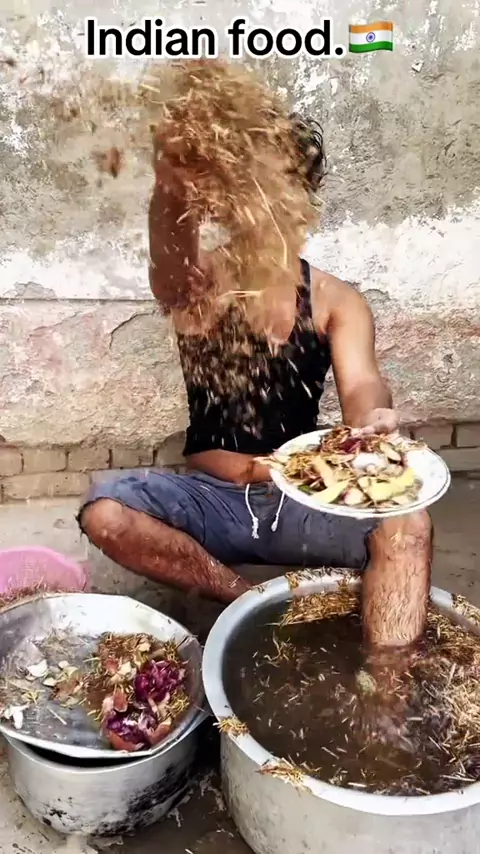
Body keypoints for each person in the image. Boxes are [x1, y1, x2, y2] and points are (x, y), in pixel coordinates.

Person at [79, 114, 432, 652]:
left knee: (410, 527)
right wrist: (170, 174)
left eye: (280, 189)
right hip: (211, 498)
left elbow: (363, 384)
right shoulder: (201, 285)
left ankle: (387, 678)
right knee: (106, 513)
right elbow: (168, 257)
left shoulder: (335, 300)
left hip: (304, 495)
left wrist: (372, 421)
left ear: (304, 202)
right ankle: (249, 600)